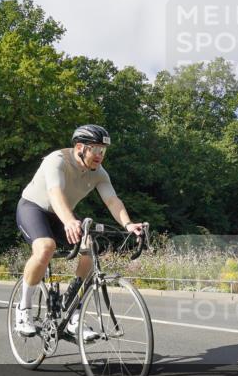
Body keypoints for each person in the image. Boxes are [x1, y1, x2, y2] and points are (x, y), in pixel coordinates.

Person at [14, 124, 145, 340]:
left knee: (90, 246)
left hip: (62, 213)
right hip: (33, 208)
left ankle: (72, 309)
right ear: (79, 148)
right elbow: (55, 193)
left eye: (103, 151)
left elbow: (112, 200)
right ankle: (23, 310)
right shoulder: (56, 160)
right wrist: (69, 221)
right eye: (95, 149)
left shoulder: (99, 173)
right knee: (46, 247)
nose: (100, 155)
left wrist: (128, 224)